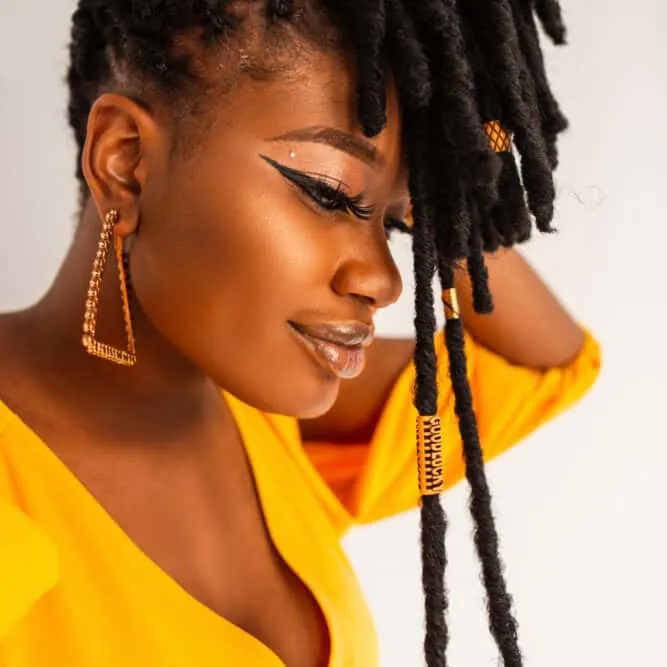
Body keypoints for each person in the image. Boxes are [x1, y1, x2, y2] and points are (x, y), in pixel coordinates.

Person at [0, 1, 600, 666]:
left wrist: (460, 149)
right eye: (328, 192)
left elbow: (541, 369)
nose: (383, 279)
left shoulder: (266, 424)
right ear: (125, 160)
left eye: (399, 218)